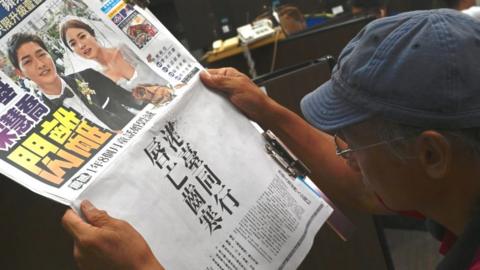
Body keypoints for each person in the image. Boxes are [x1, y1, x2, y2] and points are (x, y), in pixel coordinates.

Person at [61, 9, 480, 269]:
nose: (344, 155)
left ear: (430, 153)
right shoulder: (455, 187)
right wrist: (268, 111)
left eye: (352, 145)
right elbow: (365, 190)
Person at [8, 33, 143, 131]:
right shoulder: (41, 115)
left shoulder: (89, 76)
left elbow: (130, 99)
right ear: (20, 73)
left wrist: (153, 94)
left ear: (49, 54)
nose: (40, 64)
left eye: (41, 54)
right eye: (27, 61)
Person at [59, 18, 169, 94]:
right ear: (72, 51)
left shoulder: (127, 48)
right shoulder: (99, 78)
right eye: (73, 44)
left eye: (82, 36)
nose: (81, 45)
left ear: (93, 35)